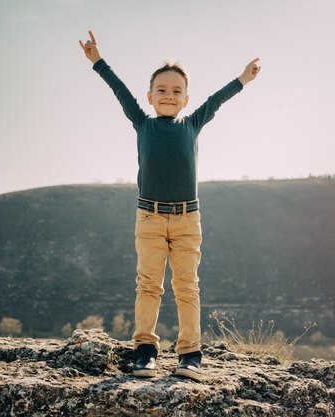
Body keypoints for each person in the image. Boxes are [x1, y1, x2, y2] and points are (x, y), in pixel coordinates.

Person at [79, 30, 260, 381]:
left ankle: (190, 353)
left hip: (187, 220)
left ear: (186, 99)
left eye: (177, 91)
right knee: (148, 286)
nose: (168, 95)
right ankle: (145, 350)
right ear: (149, 96)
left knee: (186, 286)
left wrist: (243, 79)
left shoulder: (192, 123)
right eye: (161, 90)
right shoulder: (143, 123)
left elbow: (217, 99)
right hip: (148, 219)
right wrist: (97, 61)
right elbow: (120, 91)